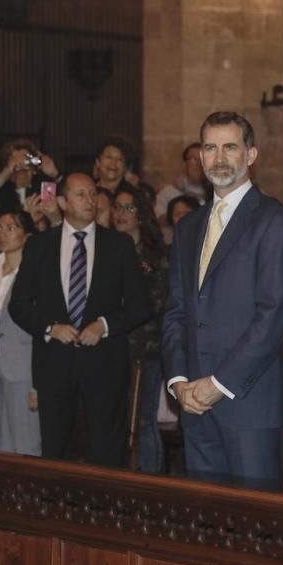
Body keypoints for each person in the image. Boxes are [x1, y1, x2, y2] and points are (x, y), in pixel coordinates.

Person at [162, 112, 283, 490]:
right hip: (193, 405)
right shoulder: (189, 227)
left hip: (248, 406)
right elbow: (175, 310)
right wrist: (177, 380)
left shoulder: (274, 221)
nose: (219, 157)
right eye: (210, 148)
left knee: (254, 530)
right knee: (206, 526)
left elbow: (273, 317)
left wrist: (219, 384)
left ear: (251, 155)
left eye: (230, 147)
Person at [9, 172, 150, 467]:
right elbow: (18, 305)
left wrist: (104, 326)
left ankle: (109, 511)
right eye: (81, 194)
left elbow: (141, 306)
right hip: (54, 364)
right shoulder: (39, 246)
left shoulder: (119, 245)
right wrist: (50, 327)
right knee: (55, 451)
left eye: (93, 193)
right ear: (61, 201)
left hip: (105, 364)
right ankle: (57, 511)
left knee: (108, 451)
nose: (91, 200)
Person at [0, 210, 41, 456]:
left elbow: (39, 332)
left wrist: (37, 385)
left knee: (26, 444)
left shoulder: (35, 276)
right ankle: (1, 495)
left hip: (22, 366)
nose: (2, 233)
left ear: (26, 236)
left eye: (11, 228)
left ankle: (29, 495)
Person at [113, 189, 169, 473]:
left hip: (146, 351)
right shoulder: (108, 249)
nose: (121, 213)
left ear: (141, 215)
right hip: (113, 349)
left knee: (144, 420)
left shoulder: (155, 257)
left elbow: (158, 303)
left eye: (129, 208)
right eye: (117, 207)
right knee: (117, 420)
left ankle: (152, 484)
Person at [0, 139, 60, 217]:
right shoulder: (2, 191)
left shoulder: (43, 187)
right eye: (15, 162)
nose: (21, 168)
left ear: (34, 169)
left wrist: (55, 174)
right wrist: (7, 172)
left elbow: (65, 198)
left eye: (27, 160)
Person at [155, 142, 208, 219]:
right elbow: (158, 220)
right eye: (193, 159)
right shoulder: (169, 192)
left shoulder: (217, 192)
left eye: (203, 159)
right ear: (184, 164)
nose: (199, 164)